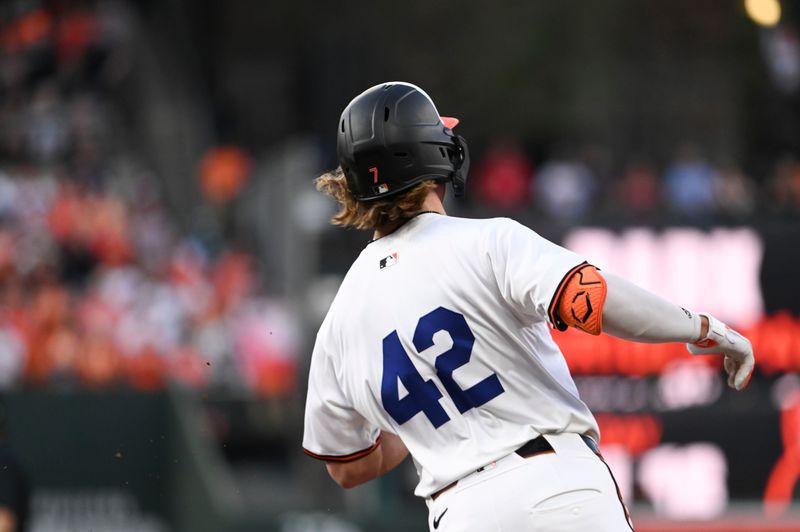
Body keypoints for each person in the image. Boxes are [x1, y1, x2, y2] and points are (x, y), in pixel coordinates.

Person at [302, 82, 755, 532]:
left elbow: (347, 467)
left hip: (461, 514)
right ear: (437, 154)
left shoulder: (336, 325)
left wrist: (425, 409)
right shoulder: (485, 242)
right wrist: (703, 328)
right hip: (558, 485)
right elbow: (594, 299)